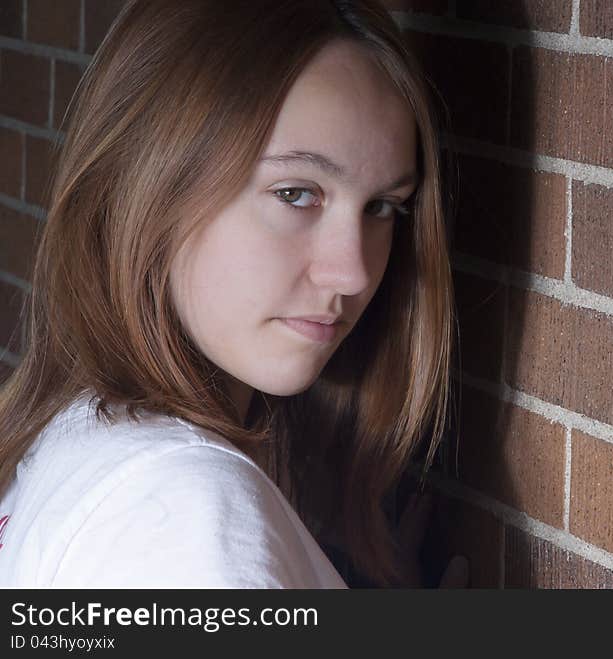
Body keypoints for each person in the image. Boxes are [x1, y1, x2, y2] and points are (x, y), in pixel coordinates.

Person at [0, 0, 468, 588]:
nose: (353, 273)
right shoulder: (187, 515)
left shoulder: (77, 441)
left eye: (382, 207)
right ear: (147, 191)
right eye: (296, 194)